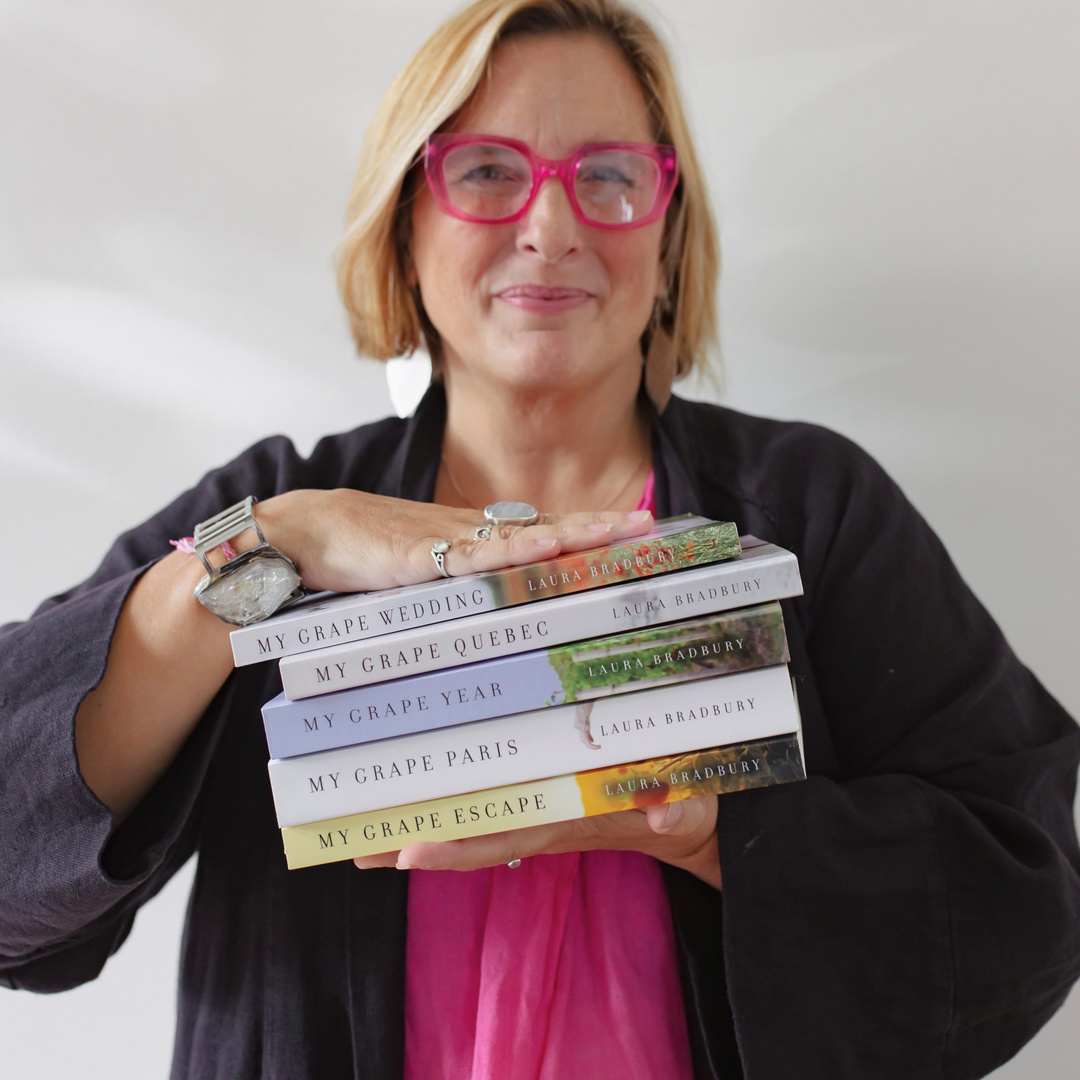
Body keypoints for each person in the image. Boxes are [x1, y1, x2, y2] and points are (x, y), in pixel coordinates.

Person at [1, 1, 1078, 1077]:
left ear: (667, 238)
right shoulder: (275, 507)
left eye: (608, 175)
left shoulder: (811, 507)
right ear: (404, 230)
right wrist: (278, 544)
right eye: (484, 171)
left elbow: (1027, 905)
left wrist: (713, 831)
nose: (552, 228)